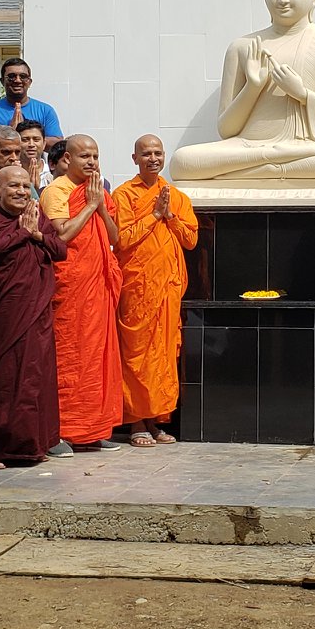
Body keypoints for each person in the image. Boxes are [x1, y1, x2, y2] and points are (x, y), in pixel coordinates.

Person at [169, 0, 315, 180]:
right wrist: (253, 87)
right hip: (251, 146)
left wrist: (303, 95)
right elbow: (227, 129)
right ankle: (274, 160)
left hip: (311, 145)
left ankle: (265, 167)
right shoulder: (242, 47)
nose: (282, 0)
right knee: (183, 161)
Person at [0, 166, 68, 467]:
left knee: (33, 376)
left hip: (35, 310)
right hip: (3, 311)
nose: (21, 191)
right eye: (13, 186)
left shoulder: (36, 217)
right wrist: (22, 233)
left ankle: (29, 444)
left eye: (25, 186)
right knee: (1, 374)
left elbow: (60, 250)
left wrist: (37, 234)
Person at [113, 135, 200, 446]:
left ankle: (155, 420)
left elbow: (191, 240)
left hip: (167, 289)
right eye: (146, 153)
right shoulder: (124, 195)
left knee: (162, 355)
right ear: (134, 158)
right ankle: (136, 421)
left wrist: (169, 215)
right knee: (136, 353)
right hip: (137, 288)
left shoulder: (176, 196)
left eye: (158, 153)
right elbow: (122, 239)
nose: (153, 158)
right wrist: (153, 216)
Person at [42, 134, 124, 451]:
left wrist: (99, 205)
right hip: (71, 285)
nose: (91, 162)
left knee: (97, 357)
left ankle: (93, 428)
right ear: (67, 159)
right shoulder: (57, 190)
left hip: (97, 285)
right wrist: (90, 205)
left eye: (95, 156)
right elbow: (61, 235)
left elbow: (115, 237)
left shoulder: (97, 191)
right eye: (84, 156)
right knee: (69, 357)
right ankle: (61, 430)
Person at [0, 57, 65, 143]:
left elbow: (57, 142)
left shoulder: (45, 110)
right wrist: (10, 133)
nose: (17, 80)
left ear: (29, 82)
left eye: (23, 76)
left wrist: (29, 137)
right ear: (2, 81)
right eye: (11, 76)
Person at [18, 119, 53, 189]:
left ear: (44, 144)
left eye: (36, 140)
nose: (31, 144)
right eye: (25, 140)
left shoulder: (52, 172)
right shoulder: (10, 173)